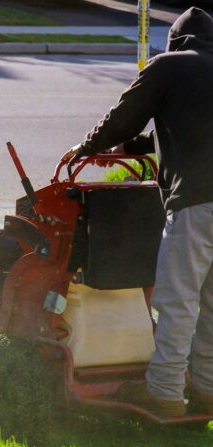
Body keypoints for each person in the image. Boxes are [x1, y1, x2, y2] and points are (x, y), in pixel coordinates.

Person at [68, 7, 213, 418]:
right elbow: (189, 124)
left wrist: (86, 148)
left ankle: (164, 391)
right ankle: (207, 390)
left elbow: (124, 117)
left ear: (175, 41)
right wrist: (135, 148)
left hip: (198, 203)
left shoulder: (167, 66)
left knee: (178, 299)